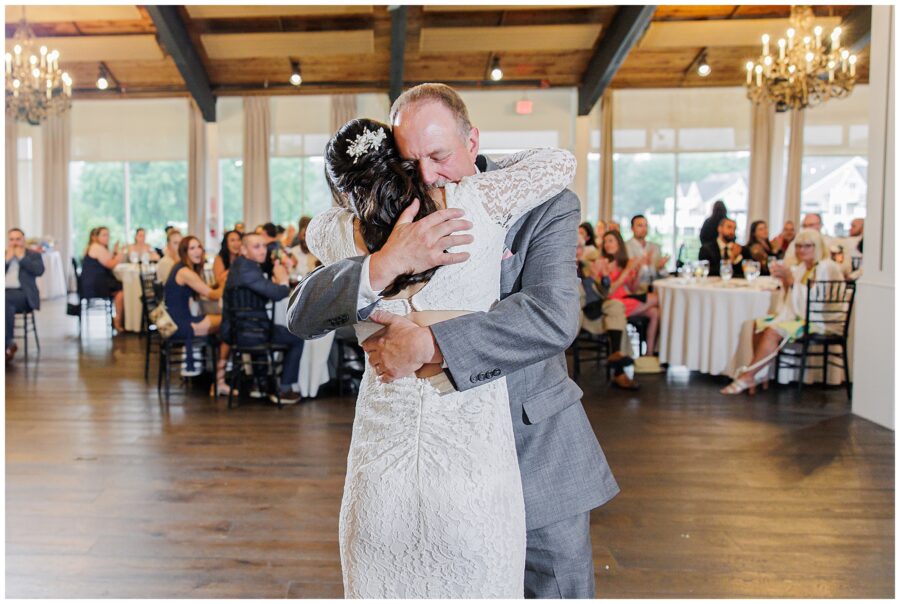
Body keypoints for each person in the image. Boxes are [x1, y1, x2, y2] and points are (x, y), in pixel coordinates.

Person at [288, 84, 618, 598]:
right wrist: (384, 262)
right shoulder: (382, 216)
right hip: (417, 473)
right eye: (408, 160)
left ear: (473, 140)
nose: (425, 176)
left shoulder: (539, 199)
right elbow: (304, 313)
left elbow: (552, 316)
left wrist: (431, 344)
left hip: (532, 442)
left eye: (439, 156)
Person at [721, 229, 845, 394]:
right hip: (802, 314)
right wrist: (787, 282)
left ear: (818, 247)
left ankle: (748, 375)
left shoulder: (826, 268)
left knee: (774, 331)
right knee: (758, 324)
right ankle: (760, 374)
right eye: (799, 246)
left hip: (820, 320)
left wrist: (791, 281)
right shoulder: (802, 267)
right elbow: (793, 298)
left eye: (807, 246)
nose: (802, 250)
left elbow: (816, 302)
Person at [222, 233, 303, 404]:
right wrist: (282, 281)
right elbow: (277, 294)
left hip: (246, 329)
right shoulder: (247, 269)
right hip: (248, 332)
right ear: (243, 250)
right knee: (297, 338)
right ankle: (284, 389)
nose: (262, 250)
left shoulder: (243, 266)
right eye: (256, 246)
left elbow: (260, 295)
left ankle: (261, 385)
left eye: (263, 245)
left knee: (267, 327)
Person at [577, 244, 639, 390]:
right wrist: (592, 276)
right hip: (582, 313)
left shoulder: (588, 264)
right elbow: (586, 299)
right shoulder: (572, 268)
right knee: (617, 317)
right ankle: (619, 372)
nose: (577, 250)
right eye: (576, 246)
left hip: (598, 309)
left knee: (616, 306)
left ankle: (616, 354)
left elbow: (604, 294)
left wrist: (604, 276)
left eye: (579, 247)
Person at [596, 230, 660, 362]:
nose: (607, 244)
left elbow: (633, 288)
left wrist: (639, 270)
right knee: (656, 299)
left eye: (611, 241)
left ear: (619, 244)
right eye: (606, 241)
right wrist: (627, 271)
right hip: (614, 302)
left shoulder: (624, 263)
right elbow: (609, 291)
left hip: (627, 298)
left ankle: (649, 354)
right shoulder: (602, 263)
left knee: (655, 312)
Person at [164, 236, 224, 376]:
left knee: (223, 321)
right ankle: (221, 372)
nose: (197, 251)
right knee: (227, 321)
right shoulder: (185, 272)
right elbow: (212, 295)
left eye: (199, 247)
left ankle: (212, 366)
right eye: (192, 248)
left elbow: (205, 289)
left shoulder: (180, 267)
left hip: (173, 321)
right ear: (184, 252)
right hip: (179, 325)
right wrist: (228, 283)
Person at [5, 228, 44, 362]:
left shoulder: (32, 255)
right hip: (6, 293)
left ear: (23, 240)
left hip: (24, 295)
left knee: (5, 301)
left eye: (18, 239)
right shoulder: (4, 255)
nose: (14, 243)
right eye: (11, 239)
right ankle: (8, 344)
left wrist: (21, 258)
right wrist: (6, 261)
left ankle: (8, 343)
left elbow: (39, 271)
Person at [81, 226, 126, 332]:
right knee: (121, 290)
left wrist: (114, 252)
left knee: (119, 285)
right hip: (95, 285)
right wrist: (119, 256)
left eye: (108, 235)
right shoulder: (96, 247)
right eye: (104, 235)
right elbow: (110, 264)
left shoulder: (95, 247)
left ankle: (119, 319)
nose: (107, 238)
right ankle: (118, 321)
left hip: (93, 282)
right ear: (96, 237)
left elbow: (108, 258)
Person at [625, 214, 669, 292]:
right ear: (632, 228)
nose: (644, 228)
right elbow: (627, 275)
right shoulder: (626, 247)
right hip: (636, 289)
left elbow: (665, 276)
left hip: (656, 287)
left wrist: (660, 267)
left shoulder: (655, 247)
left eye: (646, 226)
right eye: (640, 225)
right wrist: (641, 265)